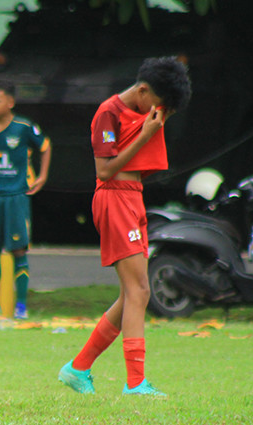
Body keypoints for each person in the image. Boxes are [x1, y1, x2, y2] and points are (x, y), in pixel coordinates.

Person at [58, 56, 191, 397]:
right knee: (140, 291)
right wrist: (146, 134)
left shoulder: (149, 108)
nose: (159, 115)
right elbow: (104, 171)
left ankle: (78, 368)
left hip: (133, 196)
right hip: (114, 196)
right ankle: (135, 383)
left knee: (132, 292)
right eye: (159, 106)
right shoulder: (108, 113)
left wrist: (158, 120)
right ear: (143, 90)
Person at [0, 80, 51, 320]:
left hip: (15, 197)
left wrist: (42, 176)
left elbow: (45, 146)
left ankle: (21, 305)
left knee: (18, 250)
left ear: (10, 102)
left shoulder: (24, 127)